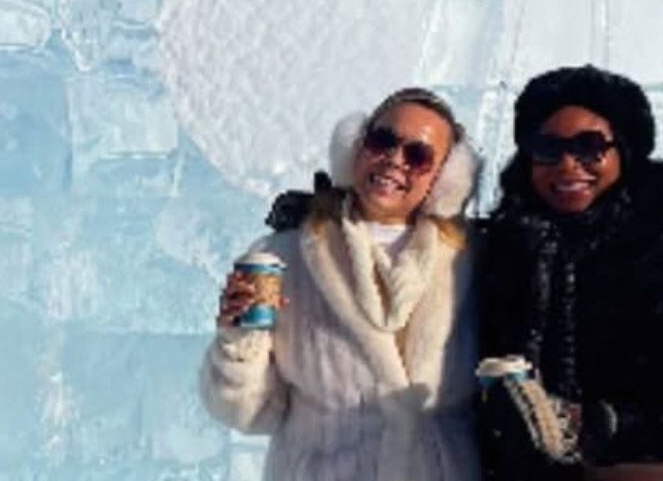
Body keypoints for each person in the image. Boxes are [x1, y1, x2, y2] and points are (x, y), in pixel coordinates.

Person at [477, 65, 663, 480]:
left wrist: (596, 424)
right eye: (548, 148)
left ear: (623, 148)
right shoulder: (511, 241)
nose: (568, 165)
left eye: (589, 147)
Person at [199, 87, 483, 481]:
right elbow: (245, 412)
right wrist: (236, 341)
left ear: (444, 177)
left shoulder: (469, 263)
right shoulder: (285, 255)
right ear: (357, 145)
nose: (394, 160)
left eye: (418, 156)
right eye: (383, 140)